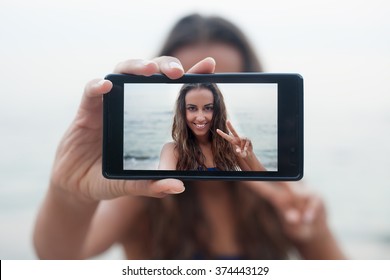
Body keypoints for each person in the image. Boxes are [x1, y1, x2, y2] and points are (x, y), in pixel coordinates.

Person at [33, 14, 345, 259]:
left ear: (219, 105)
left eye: (209, 105)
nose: (200, 117)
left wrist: (314, 233)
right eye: (192, 106)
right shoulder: (147, 197)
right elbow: (58, 257)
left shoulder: (280, 199)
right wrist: (69, 193)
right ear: (181, 110)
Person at [159, 82, 266, 172]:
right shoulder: (173, 150)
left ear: (217, 111)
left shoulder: (231, 147)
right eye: (192, 108)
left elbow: (269, 185)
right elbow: (162, 183)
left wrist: (250, 156)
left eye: (208, 108)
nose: (200, 118)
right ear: (182, 112)